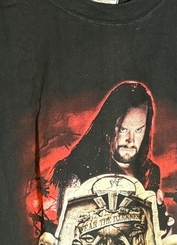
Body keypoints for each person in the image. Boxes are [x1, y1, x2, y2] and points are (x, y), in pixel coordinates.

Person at [51, 81, 162, 212]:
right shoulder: (79, 170)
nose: (131, 140)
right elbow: (66, 221)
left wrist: (162, 221)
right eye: (123, 130)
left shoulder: (151, 172)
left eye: (138, 130)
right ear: (108, 127)